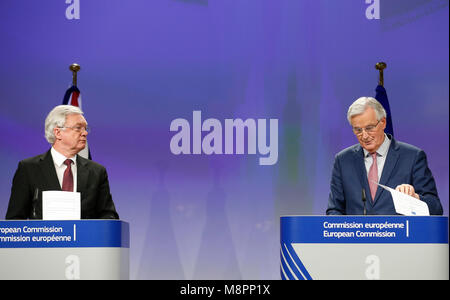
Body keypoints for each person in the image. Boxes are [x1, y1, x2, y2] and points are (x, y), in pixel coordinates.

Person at [326, 97, 443, 215]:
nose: (364, 136)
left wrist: (415, 197)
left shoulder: (413, 157)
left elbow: (435, 209)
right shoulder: (343, 160)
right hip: (357, 233)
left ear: (383, 122)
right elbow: (334, 210)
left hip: (399, 233)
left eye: (369, 128)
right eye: (358, 130)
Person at [5, 105, 119, 219]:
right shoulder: (28, 168)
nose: (85, 133)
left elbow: (108, 216)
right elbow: (15, 220)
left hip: (83, 236)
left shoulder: (97, 172)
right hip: (46, 236)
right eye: (78, 128)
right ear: (58, 132)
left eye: (85, 128)